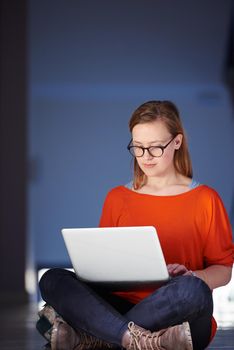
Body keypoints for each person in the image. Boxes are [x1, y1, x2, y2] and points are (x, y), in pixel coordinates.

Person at [38, 100, 234, 350]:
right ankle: (134, 340)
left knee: (194, 291)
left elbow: (224, 270)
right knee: (52, 280)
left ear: (177, 142)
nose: (145, 157)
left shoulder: (206, 199)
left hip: (177, 314)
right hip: (120, 306)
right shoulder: (117, 197)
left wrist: (194, 275)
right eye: (138, 148)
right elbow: (102, 265)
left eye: (154, 148)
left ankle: (99, 338)